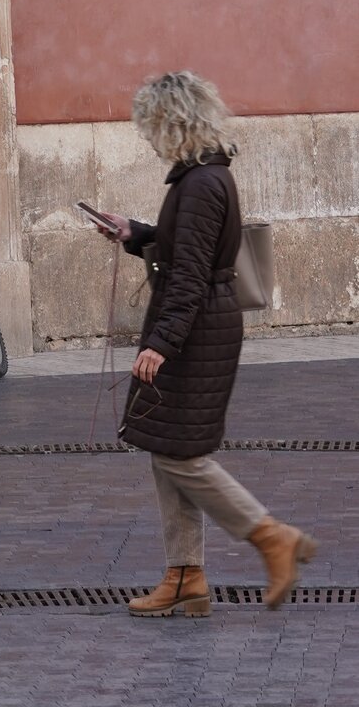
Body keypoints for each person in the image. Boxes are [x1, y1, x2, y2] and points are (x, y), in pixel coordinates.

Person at [94, 71, 317, 616]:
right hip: (203, 327)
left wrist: (161, 343)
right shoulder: (204, 177)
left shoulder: (199, 185)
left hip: (196, 333)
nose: (148, 139)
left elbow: (190, 276)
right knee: (169, 447)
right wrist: (137, 233)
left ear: (171, 123)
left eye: (151, 127)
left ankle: (272, 538)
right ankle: (185, 576)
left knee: (181, 456)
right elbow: (187, 252)